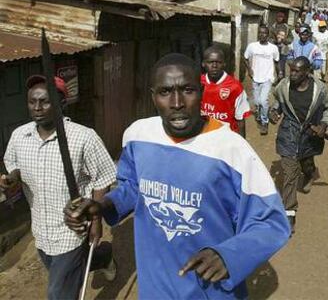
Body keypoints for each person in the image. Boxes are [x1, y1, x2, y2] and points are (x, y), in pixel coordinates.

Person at [64, 53, 291, 299]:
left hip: (210, 291)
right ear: (153, 96)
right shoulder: (138, 135)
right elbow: (132, 187)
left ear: (202, 91)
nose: (177, 102)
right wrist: (104, 204)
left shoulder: (231, 149)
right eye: (165, 92)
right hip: (155, 287)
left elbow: (271, 222)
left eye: (187, 90)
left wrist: (230, 255)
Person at [0, 75, 117, 300]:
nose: (37, 107)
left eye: (45, 101)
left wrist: (96, 220)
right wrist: (12, 178)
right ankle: (103, 257)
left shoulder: (83, 137)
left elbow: (103, 179)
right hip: (41, 229)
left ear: (61, 103)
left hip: (72, 230)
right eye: (32, 101)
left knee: (59, 293)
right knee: (65, 271)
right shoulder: (19, 136)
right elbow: (14, 165)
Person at [269, 57, 328, 232]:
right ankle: (290, 211)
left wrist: (323, 125)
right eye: (291, 70)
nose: (292, 74)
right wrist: (274, 111)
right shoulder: (283, 86)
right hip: (289, 136)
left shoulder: (320, 90)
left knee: (306, 163)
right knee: (290, 173)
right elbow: (278, 102)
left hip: (310, 136)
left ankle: (309, 173)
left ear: (307, 72)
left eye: (297, 71)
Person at [200, 46, 251, 137]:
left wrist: (242, 143)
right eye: (210, 62)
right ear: (203, 64)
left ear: (224, 64)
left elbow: (240, 119)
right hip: (204, 135)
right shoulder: (197, 83)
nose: (214, 66)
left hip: (226, 137)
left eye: (218, 62)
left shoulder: (235, 87)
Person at [244, 25, 280, 135]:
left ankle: (265, 122)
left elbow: (277, 61)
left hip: (267, 78)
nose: (262, 35)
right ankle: (260, 114)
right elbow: (245, 58)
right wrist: (249, 69)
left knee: (263, 101)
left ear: (268, 35)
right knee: (256, 101)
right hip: (255, 77)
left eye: (264, 33)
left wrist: (279, 74)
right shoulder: (252, 46)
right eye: (260, 32)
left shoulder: (273, 48)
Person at [270, 12, 293, 80]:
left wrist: (285, 41)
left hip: (284, 49)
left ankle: (282, 80)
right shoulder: (273, 27)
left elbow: (291, 38)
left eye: (281, 17)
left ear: (283, 18)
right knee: (277, 65)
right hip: (275, 49)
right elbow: (269, 38)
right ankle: (279, 78)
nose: (280, 18)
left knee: (282, 65)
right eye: (278, 17)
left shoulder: (286, 27)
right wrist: (274, 41)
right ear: (276, 18)